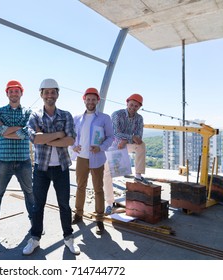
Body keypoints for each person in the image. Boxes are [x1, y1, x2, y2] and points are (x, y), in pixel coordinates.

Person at [22, 78, 80, 256]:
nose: (49, 95)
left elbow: (70, 140)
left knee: (64, 205)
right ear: (41, 94)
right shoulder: (35, 116)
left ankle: (68, 238)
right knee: (38, 205)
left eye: (52, 92)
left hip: (61, 167)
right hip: (41, 168)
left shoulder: (66, 115)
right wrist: (58, 135)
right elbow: (35, 139)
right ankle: (35, 238)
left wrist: (45, 137)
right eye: (46, 92)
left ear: (57, 94)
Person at [0, 80, 34, 243]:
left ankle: (36, 224)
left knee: (30, 193)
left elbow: (28, 132)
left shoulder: (28, 112)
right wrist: (18, 129)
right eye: (10, 91)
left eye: (16, 91)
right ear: (7, 94)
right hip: (4, 160)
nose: (13, 94)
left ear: (21, 93)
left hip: (23, 160)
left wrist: (6, 131)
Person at [71, 88, 113, 235]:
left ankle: (99, 220)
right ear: (84, 100)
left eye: (93, 99)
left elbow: (110, 137)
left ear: (97, 101)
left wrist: (100, 148)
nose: (90, 102)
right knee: (80, 186)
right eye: (88, 99)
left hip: (97, 158)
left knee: (98, 189)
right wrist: (73, 146)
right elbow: (71, 135)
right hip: (82, 157)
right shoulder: (77, 118)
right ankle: (78, 214)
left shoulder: (104, 118)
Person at [110, 93, 148, 184]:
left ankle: (138, 176)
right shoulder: (117, 114)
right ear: (127, 103)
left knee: (141, 145)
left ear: (139, 107)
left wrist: (126, 140)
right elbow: (115, 133)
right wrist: (130, 137)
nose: (133, 107)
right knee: (108, 173)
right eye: (131, 104)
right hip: (113, 144)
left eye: (136, 106)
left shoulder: (139, 118)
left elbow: (138, 137)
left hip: (126, 143)